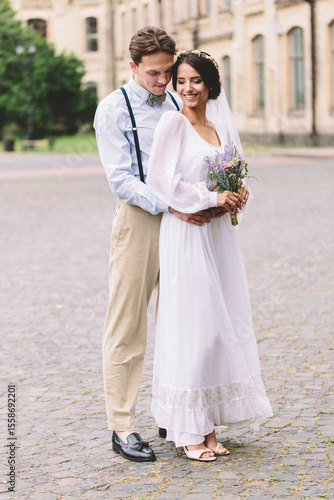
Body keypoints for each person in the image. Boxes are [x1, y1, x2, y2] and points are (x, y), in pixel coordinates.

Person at [93, 27, 223, 463]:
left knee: (184, 319)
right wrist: (171, 206)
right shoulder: (113, 109)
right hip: (142, 221)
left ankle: (177, 415)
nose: (165, 81)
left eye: (169, 71)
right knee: (127, 325)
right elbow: (121, 178)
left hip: (185, 225)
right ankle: (123, 426)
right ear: (132, 67)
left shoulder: (177, 98)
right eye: (154, 73)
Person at [147, 50, 273, 461]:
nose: (187, 89)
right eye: (181, 81)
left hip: (218, 234)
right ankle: (187, 429)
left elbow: (233, 173)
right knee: (194, 325)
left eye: (195, 81)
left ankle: (210, 424)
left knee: (220, 325)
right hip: (187, 233)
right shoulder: (173, 124)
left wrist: (236, 196)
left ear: (210, 85)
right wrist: (207, 197)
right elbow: (161, 181)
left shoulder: (219, 128)